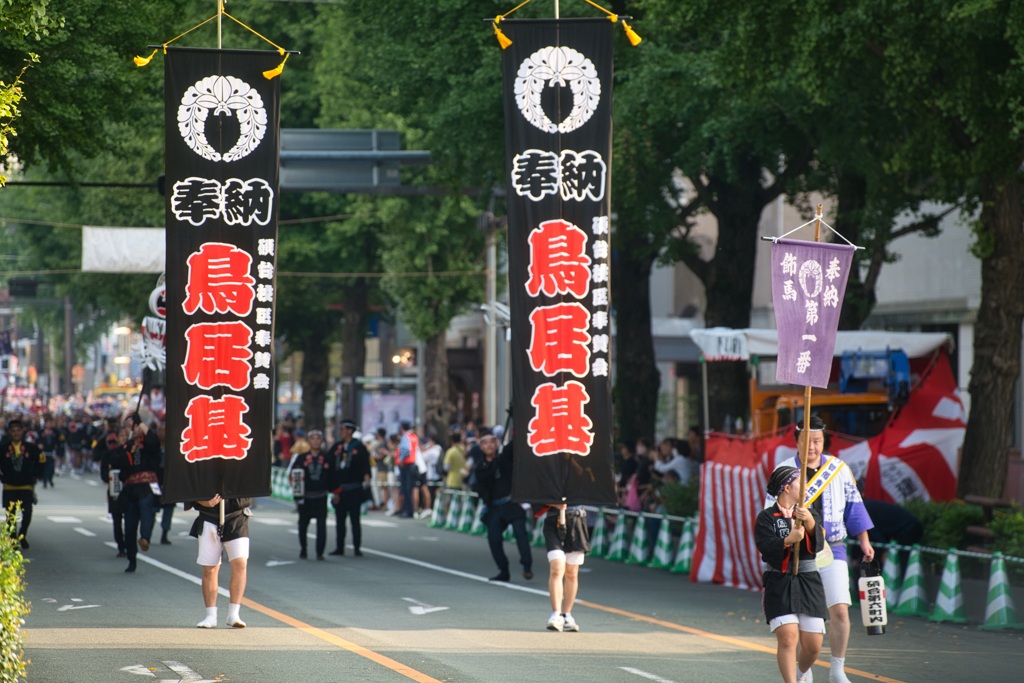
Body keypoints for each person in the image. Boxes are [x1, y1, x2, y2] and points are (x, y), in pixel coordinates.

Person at [767, 416, 875, 683]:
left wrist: (864, 540)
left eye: (817, 441)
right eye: (807, 441)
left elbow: (854, 505)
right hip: (796, 554)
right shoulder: (783, 470)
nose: (812, 447)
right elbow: (771, 512)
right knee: (805, 621)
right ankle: (803, 670)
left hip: (833, 548)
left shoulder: (839, 468)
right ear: (797, 441)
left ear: (824, 441)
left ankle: (837, 668)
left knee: (839, 609)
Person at [756, 466, 827, 683]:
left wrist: (811, 524)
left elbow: (818, 546)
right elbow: (765, 547)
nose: (805, 489)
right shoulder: (766, 517)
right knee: (788, 638)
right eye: (800, 484)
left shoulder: (808, 512)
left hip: (808, 582)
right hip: (780, 581)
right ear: (787, 488)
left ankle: (801, 671)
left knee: (813, 645)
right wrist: (788, 539)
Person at [474, 434, 533, 582]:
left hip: (512, 503)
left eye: (492, 442)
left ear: (497, 444)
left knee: (520, 534)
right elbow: (485, 478)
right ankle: (503, 570)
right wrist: (495, 463)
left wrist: (517, 421)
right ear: (481, 446)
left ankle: (527, 566)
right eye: (485, 443)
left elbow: (513, 445)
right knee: (493, 538)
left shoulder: (505, 458)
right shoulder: (481, 466)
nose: (489, 445)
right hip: (494, 506)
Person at [190, 494, 252, 628]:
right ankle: (210, 615)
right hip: (208, 516)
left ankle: (234, 614)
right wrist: (201, 500)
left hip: (237, 516)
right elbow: (190, 484)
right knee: (210, 568)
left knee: (240, 563)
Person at [117, 415, 162, 573]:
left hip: (146, 486)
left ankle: (145, 538)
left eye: (135, 426)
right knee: (129, 526)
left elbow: (155, 442)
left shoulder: (148, 444)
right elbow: (119, 467)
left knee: (146, 509)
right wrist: (126, 449)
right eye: (130, 427)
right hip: (130, 489)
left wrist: (142, 423)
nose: (133, 429)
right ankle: (131, 558)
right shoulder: (126, 446)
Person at [542, 503, 590, 632]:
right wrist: (553, 503)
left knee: (572, 572)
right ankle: (556, 613)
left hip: (576, 521)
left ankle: (567, 614)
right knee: (557, 568)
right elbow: (537, 494)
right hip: (554, 520)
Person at [0, 418, 46, 549]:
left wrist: (36, 475)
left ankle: (23, 534)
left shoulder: (31, 448)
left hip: (26, 486)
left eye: (18, 431)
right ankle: (13, 539)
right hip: (9, 486)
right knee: (11, 516)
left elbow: (41, 460)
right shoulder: (3, 449)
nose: (16, 433)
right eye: (13, 431)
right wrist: (2, 476)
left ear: (22, 432)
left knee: (27, 514)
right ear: (9, 432)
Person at [329, 420, 372, 556]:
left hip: (354, 488)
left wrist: (367, 484)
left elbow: (366, 467)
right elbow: (329, 464)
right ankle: (339, 547)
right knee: (340, 520)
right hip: (339, 490)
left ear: (349, 431)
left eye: (343, 429)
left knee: (355, 520)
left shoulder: (359, 447)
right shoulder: (337, 447)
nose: (341, 432)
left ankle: (357, 548)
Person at [289, 433, 330, 559]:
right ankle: (303, 549)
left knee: (321, 525)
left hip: (321, 495)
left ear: (322, 441)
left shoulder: (327, 457)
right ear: (309, 441)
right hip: (305, 497)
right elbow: (293, 475)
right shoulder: (301, 458)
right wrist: (297, 493)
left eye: (318, 438)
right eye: (313, 438)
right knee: (302, 524)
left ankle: (320, 552)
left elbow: (333, 475)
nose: (316, 441)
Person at [395, 421, 419, 518]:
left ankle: (407, 510)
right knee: (410, 488)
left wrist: (400, 459)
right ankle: (410, 510)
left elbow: (405, 449)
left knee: (405, 489)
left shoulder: (405, 436)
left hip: (407, 464)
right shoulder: (414, 436)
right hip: (412, 463)